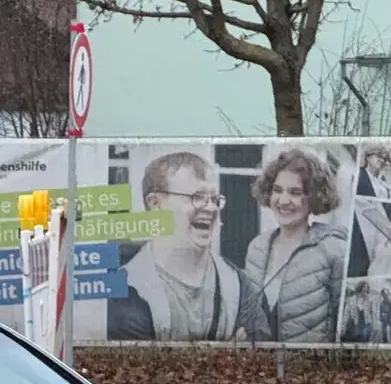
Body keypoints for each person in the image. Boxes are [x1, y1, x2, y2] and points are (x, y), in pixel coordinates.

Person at [106, 150, 268, 342]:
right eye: (197, 197)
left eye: (215, 199)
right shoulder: (125, 287)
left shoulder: (238, 285)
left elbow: (260, 359)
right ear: (155, 204)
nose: (211, 208)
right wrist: (225, 355)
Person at [243, 146, 349, 343]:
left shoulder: (333, 250)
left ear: (313, 196)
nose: (283, 201)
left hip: (308, 370)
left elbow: (344, 328)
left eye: (295, 192)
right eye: (277, 190)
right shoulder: (256, 248)